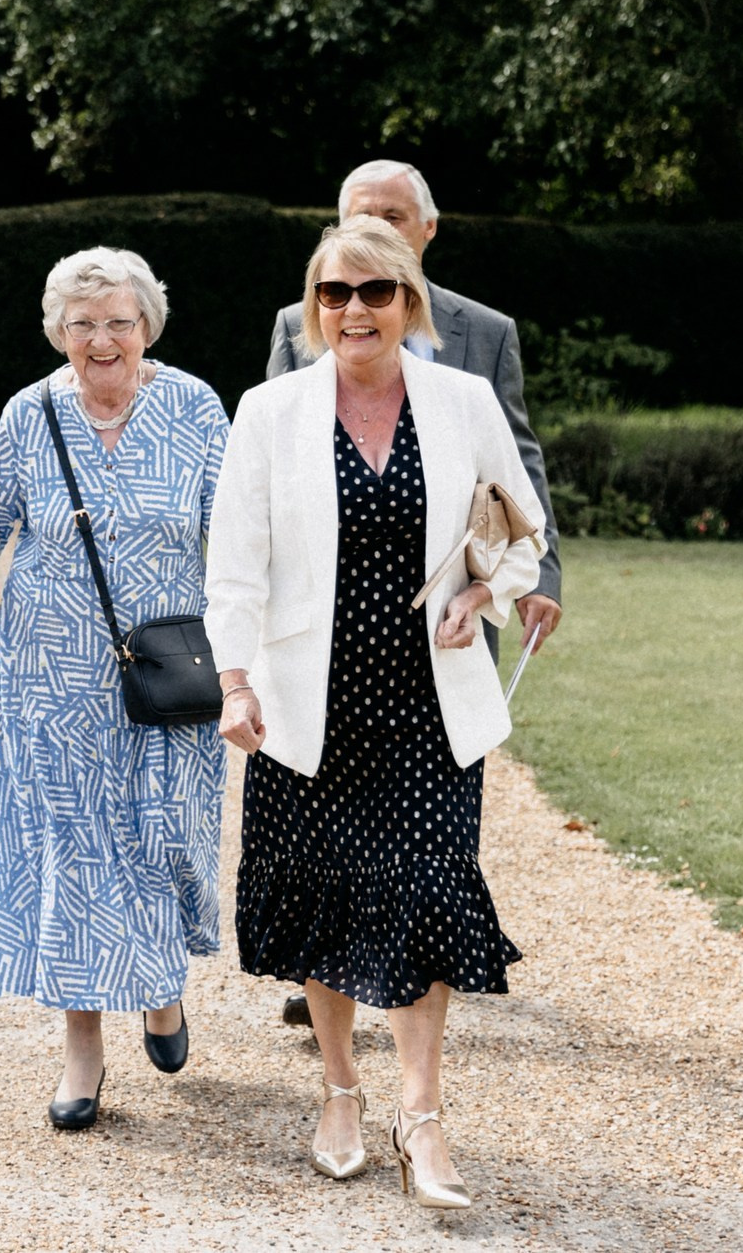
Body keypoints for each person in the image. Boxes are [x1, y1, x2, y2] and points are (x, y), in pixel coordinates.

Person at [209, 217, 548, 1210]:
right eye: (332, 294)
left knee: (427, 896)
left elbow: (520, 539)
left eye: (373, 292)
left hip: (426, 709)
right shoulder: (269, 412)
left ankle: (424, 1116)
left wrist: (479, 595)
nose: (352, 310)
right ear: (313, 309)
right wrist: (235, 686)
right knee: (324, 901)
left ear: (408, 300)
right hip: (304, 709)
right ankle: (339, 1090)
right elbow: (233, 569)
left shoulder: (463, 400)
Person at [0, 248, 232, 1133]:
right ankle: (82, 1049)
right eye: (82, 324)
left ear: (147, 327)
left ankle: (161, 986)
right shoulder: (30, 413)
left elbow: (240, 534)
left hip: (168, 676)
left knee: (165, 835)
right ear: (59, 332)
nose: (102, 339)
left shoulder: (195, 407)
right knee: (71, 858)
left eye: (118, 321)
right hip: (49, 681)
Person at [265, 160, 561, 1031]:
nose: (378, 233)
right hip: (326, 623)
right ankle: (334, 969)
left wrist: (530, 579)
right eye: (360, 219)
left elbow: (519, 473)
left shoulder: (484, 335)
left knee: (429, 816)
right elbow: (274, 471)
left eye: (394, 218)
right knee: (328, 803)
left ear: (427, 231)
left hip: (448, 619)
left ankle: (414, 955)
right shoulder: (296, 324)